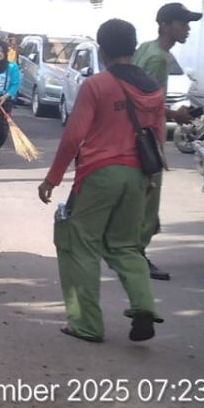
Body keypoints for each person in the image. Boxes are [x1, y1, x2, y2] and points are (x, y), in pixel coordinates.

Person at [38, 19, 164, 344]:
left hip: (99, 174)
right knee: (125, 245)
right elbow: (158, 138)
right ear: (134, 48)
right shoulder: (153, 88)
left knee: (80, 244)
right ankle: (144, 306)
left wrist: (52, 179)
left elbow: (74, 137)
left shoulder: (97, 85)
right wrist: (150, 179)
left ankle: (86, 324)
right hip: (138, 175)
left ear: (102, 49)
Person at [133, 2, 202, 280]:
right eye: (182, 23)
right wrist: (177, 114)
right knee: (149, 198)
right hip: (150, 136)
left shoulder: (145, 49)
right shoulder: (159, 58)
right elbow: (148, 101)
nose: (187, 29)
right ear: (165, 25)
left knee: (140, 196)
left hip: (136, 134)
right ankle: (137, 255)